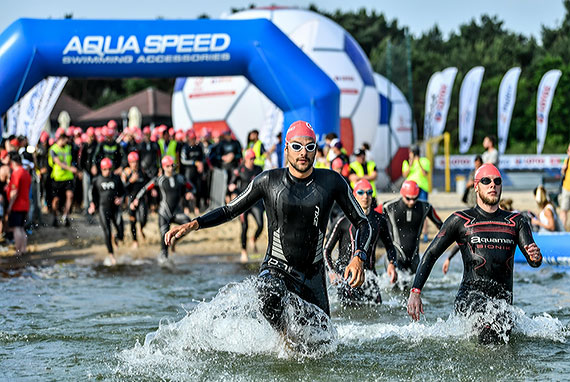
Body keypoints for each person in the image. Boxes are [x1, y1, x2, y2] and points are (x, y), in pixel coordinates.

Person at [163, 120, 371, 333]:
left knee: (324, 342)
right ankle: (284, 339)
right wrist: (195, 224)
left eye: (309, 147)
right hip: (277, 268)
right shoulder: (268, 181)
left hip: (313, 276)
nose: (303, 152)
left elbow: (363, 222)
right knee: (268, 291)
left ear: (316, 151)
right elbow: (229, 210)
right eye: (297, 146)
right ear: (286, 148)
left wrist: (359, 256)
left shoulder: (331, 182)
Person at [407, 164, 542, 344]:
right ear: (476, 186)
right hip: (470, 298)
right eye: (486, 181)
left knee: (502, 334)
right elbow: (431, 254)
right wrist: (415, 291)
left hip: (502, 302)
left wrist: (536, 257)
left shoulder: (516, 221)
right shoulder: (460, 220)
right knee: (489, 333)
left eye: (497, 181)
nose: (492, 185)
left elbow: (533, 260)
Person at [324, 179, 397, 305]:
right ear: (354, 195)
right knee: (348, 313)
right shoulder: (342, 220)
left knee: (377, 310)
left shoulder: (379, 220)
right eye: (361, 192)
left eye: (369, 192)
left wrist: (391, 264)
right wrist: (332, 272)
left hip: (369, 276)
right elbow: (326, 251)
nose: (365, 196)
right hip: (347, 276)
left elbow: (390, 246)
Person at [131, 155, 194, 262]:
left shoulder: (180, 178)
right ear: (164, 167)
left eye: (172, 166)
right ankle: (163, 259)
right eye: (168, 166)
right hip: (164, 213)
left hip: (177, 212)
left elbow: (192, 187)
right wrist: (136, 199)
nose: (171, 168)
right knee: (164, 237)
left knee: (188, 224)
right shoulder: (159, 180)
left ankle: (175, 242)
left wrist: (190, 193)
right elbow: (145, 189)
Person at [382, 180, 443, 274]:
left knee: (414, 287)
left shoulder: (425, 207)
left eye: (415, 198)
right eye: (408, 198)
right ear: (402, 194)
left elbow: (442, 226)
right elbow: (371, 219)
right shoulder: (389, 206)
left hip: (414, 257)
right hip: (395, 257)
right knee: (393, 287)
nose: (411, 202)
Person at [228, 149, 264, 263]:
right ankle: (244, 251)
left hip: (256, 201)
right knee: (244, 227)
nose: (252, 161)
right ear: (245, 159)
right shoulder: (240, 170)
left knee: (260, 225)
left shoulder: (259, 169)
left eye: (254, 159)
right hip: (243, 202)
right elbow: (231, 184)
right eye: (250, 159)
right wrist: (232, 190)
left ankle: (253, 239)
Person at [88, 158, 125, 266]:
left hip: (115, 209)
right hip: (103, 209)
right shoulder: (97, 180)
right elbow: (92, 194)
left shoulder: (116, 178)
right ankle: (111, 255)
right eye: (105, 169)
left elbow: (123, 192)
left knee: (121, 233)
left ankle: (117, 237)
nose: (107, 171)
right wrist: (92, 204)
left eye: (109, 169)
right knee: (107, 232)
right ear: (101, 169)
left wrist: (121, 198)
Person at [48, 129, 78, 227]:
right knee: (56, 200)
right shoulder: (53, 149)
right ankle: (55, 216)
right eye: (66, 139)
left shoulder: (68, 148)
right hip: (57, 178)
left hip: (68, 177)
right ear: (61, 139)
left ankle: (65, 216)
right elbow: (58, 162)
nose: (67, 141)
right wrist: (71, 168)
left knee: (70, 196)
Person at [401, 145, 431, 242]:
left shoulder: (425, 161)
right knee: (408, 210)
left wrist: (418, 162)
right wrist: (411, 164)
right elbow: (405, 174)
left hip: (421, 188)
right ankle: (409, 232)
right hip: (409, 189)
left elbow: (425, 173)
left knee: (423, 211)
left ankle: (425, 233)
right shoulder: (406, 162)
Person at [6, 152, 32, 256]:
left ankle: (18, 250)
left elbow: (15, 192)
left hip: (17, 205)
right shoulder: (26, 172)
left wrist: (10, 206)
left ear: (13, 162)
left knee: (16, 228)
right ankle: (24, 249)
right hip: (25, 203)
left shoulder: (17, 173)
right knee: (21, 228)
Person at [122, 151, 149, 248]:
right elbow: (122, 188)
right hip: (130, 198)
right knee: (132, 220)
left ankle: (141, 229)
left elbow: (146, 184)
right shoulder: (126, 172)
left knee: (143, 218)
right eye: (132, 162)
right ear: (129, 162)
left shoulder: (142, 171)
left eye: (136, 162)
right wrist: (130, 181)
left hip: (140, 198)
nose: (134, 164)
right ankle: (135, 240)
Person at [559, 143, 570, 230]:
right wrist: (563, 169)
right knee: (564, 209)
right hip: (566, 188)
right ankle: (562, 229)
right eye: (568, 150)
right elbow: (563, 173)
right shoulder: (567, 160)